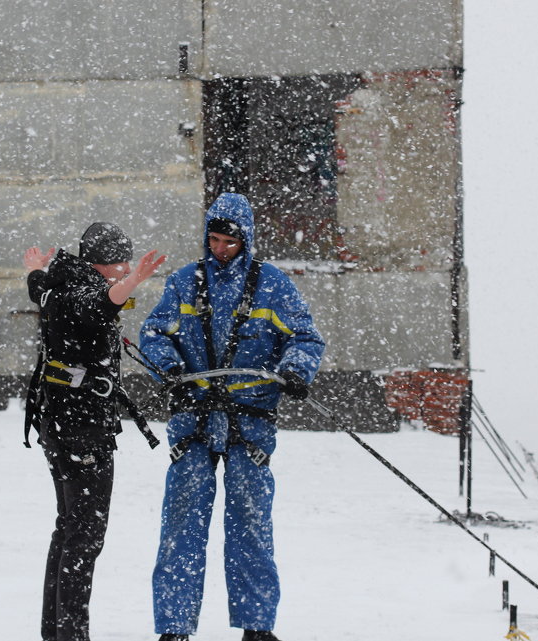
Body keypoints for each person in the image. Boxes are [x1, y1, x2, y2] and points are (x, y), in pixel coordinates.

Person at [139, 193, 325, 641]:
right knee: (181, 526)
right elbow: (152, 333)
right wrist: (172, 367)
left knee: (250, 524)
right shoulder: (185, 283)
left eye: (231, 242)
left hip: (251, 423)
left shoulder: (273, 285)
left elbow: (306, 337)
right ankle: (175, 627)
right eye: (215, 240)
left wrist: (296, 370)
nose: (221, 249)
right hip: (194, 421)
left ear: (248, 240)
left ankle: (257, 625)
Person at [24, 222, 167, 641]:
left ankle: (56, 632)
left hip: (59, 422)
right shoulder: (82, 291)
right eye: (119, 263)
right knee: (84, 536)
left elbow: (39, 288)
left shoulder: (55, 282)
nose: (124, 269)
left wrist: (33, 268)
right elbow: (100, 304)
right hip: (81, 428)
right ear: (96, 263)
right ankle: (71, 634)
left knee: (68, 527)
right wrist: (134, 281)